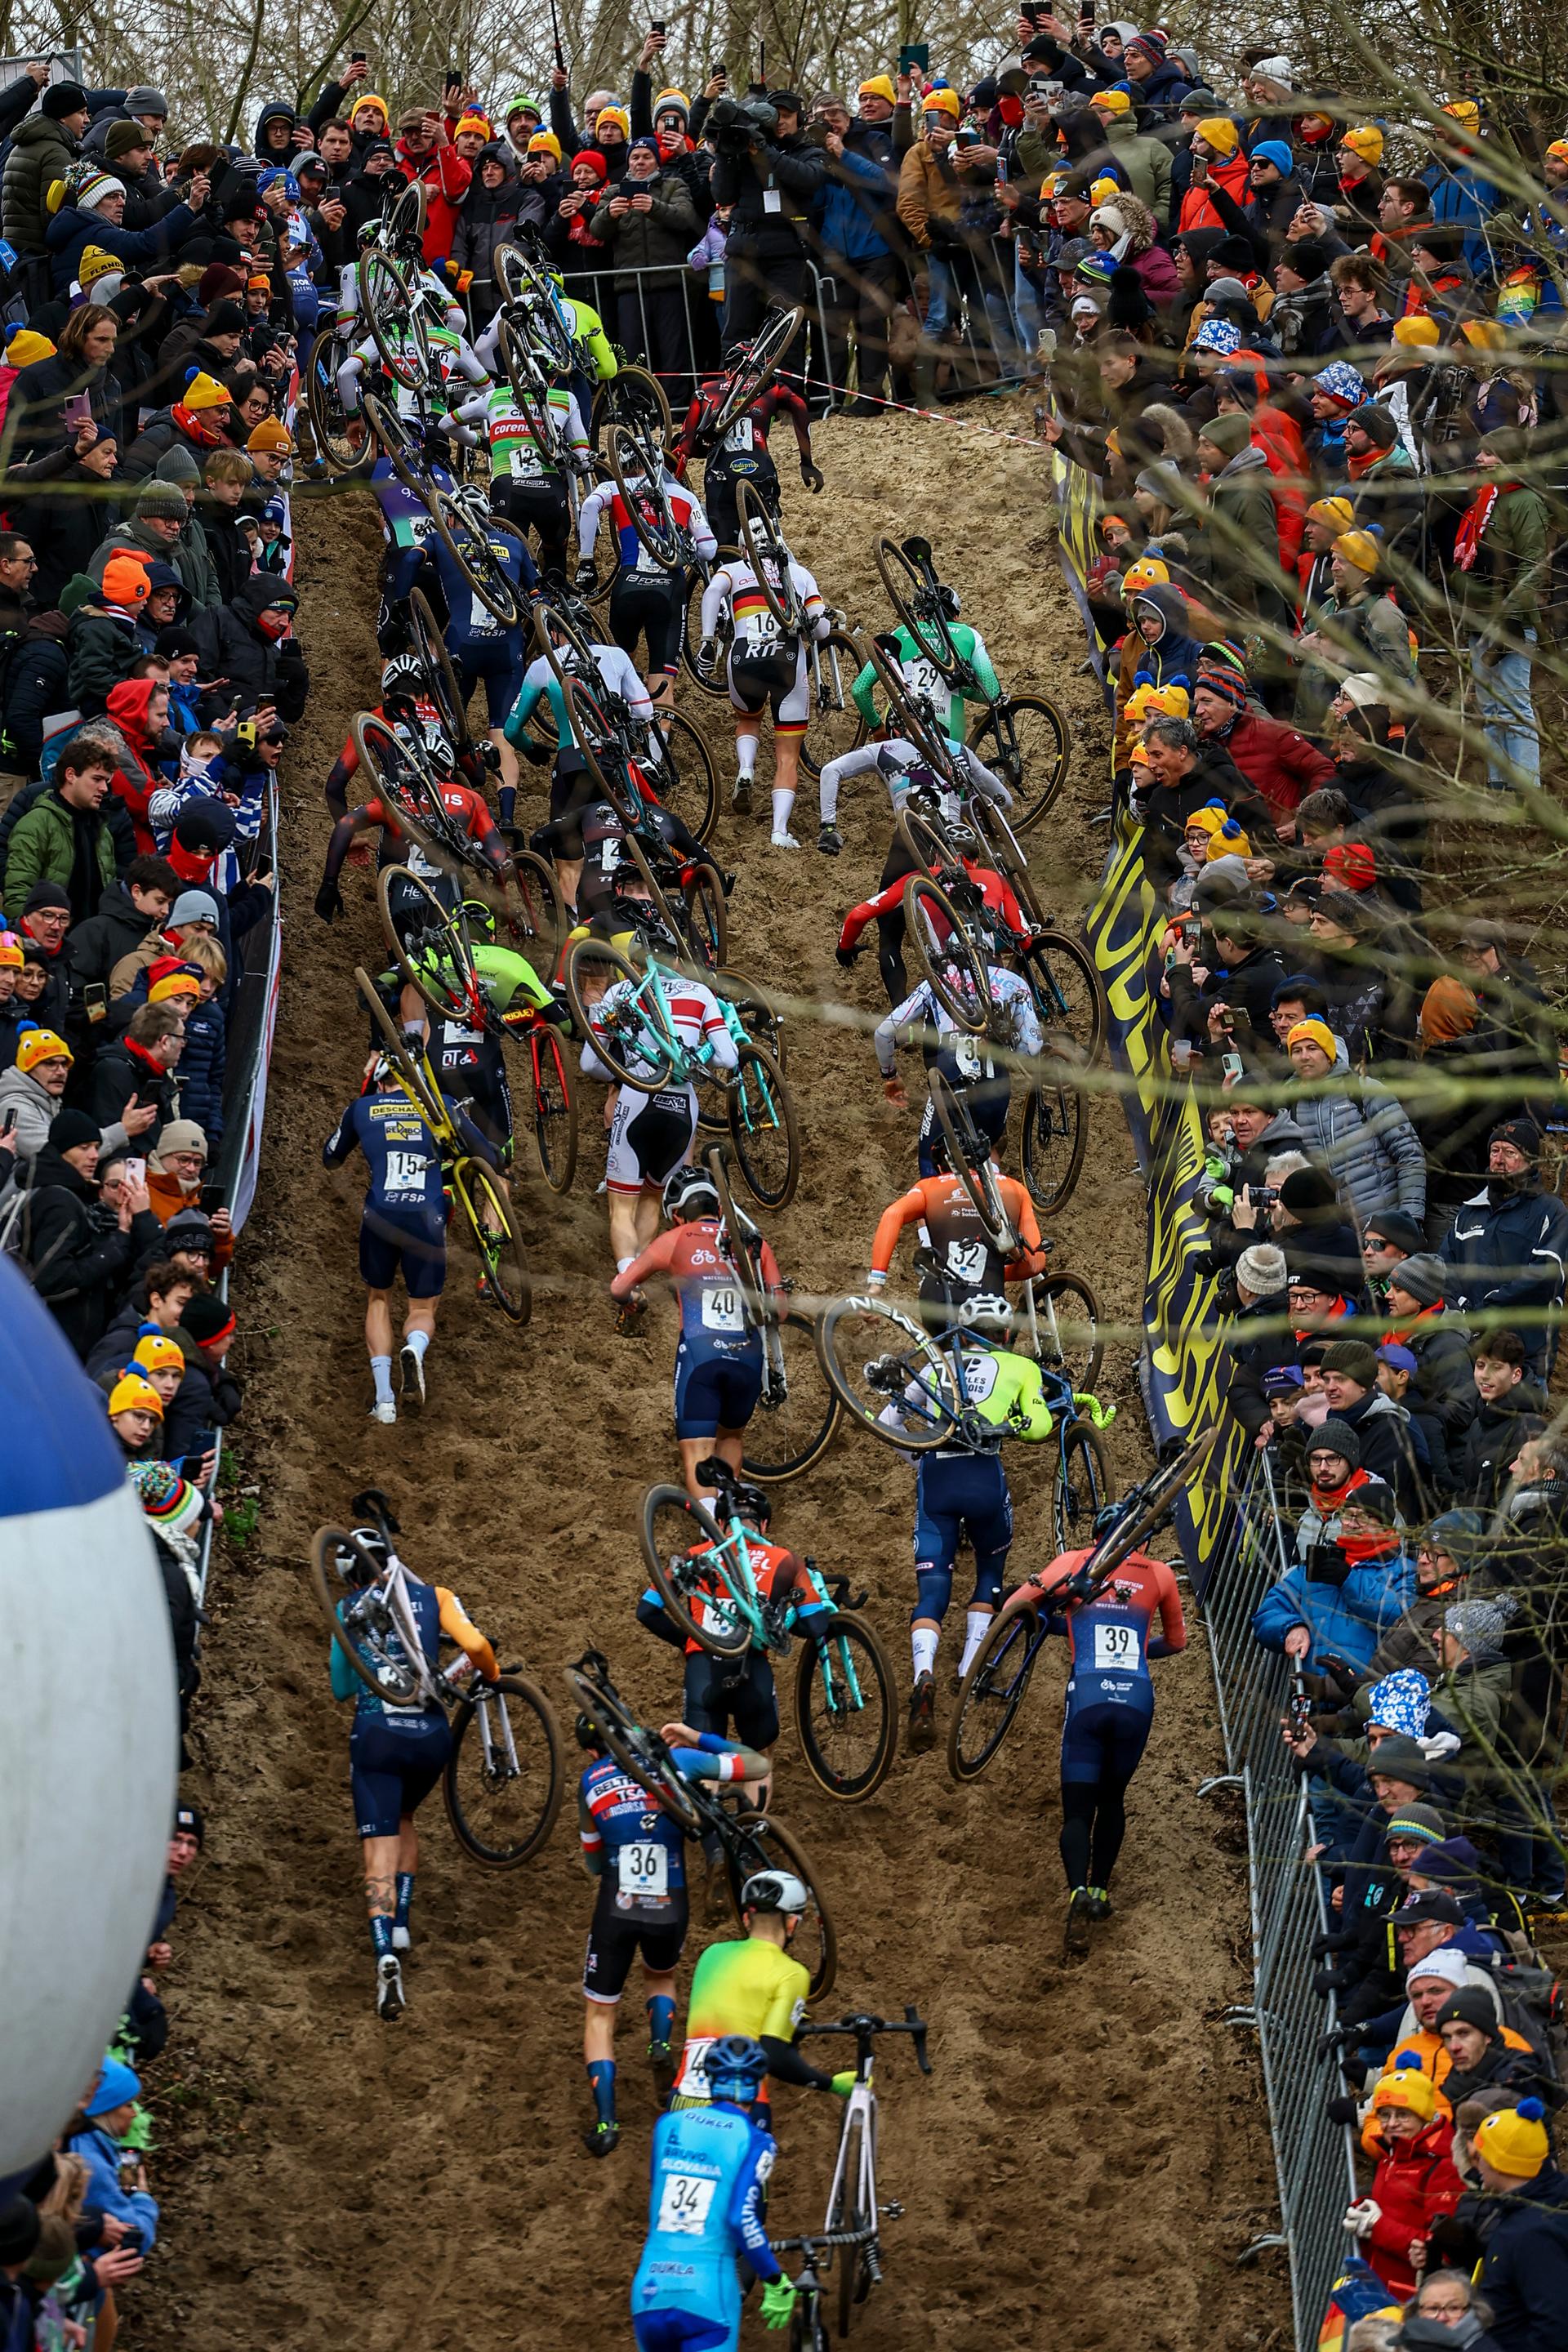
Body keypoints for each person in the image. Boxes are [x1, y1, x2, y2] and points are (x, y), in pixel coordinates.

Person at [577, 1711, 771, 2154]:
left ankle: (607, 2125)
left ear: (592, 1751)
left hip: (616, 1907)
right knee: (660, 1975)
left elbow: (591, 1862)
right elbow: (756, 1765)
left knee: (600, 2014)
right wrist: (696, 1737)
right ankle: (661, 2043)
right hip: (671, 1902)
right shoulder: (677, 1760)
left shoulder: (589, 1781)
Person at [327, 1519, 497, 2020]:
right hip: (431, 1738)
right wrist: (493, 1676)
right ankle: (402, 1921)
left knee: (378, 1847)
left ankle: (384, 1951)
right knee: (407, 1818)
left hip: (377, 1737)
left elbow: (340, 1688)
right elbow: (477, 1647)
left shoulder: (345, 1609)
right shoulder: (435, 1594)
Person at [894, 1291, 1057, 1747]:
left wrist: (919, 1458)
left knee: (932, 1592)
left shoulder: (933, 1364)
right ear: (1005, 1334)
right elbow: (1040, 1428)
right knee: (989, 1571)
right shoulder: (1020, 1367)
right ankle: (968, 1672)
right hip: (984, 1477)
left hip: (937, 1479)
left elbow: (889, 1420)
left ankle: (923, 1674)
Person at [321, 1052, 499, 1422]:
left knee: (378, 1299)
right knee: (421, 1308)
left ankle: (384, 1399)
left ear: (379, 1081)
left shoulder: (362, 1107)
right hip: (426, 1216)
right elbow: (489, 1156)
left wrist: (365, 1110)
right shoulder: (442, 1106)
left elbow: (331, 1158)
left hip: (380, 1215)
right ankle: (415, 1348)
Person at [609, 1161, 786, 1495]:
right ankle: (729, 1522)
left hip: (701, 1354)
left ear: (677, 1214)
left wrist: (629, 1296)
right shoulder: (753, 1243)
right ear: (719, 1207)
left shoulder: (674, 1238)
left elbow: (620, 1287)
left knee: (697, 1450)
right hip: (748, 1359)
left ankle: (711, 1534)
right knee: (731, 1437)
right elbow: (782, 1311)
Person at [630, 2035, 795, 2344]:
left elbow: (656, 2194)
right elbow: (741, 2218)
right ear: (756, 2086)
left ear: (710, 2080)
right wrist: (774, 2279)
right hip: (707, 2291)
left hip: (650, 2288)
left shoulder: (668, 2124)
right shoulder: (757, 2141)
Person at [670, 1869, 852, 2113]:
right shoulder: (792, 1973)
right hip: (743, 2103)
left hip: (684, 2096)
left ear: (746, 1919)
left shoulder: (711, 1954)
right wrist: (830, 2084)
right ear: (791, 1923)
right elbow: (774, 2055)